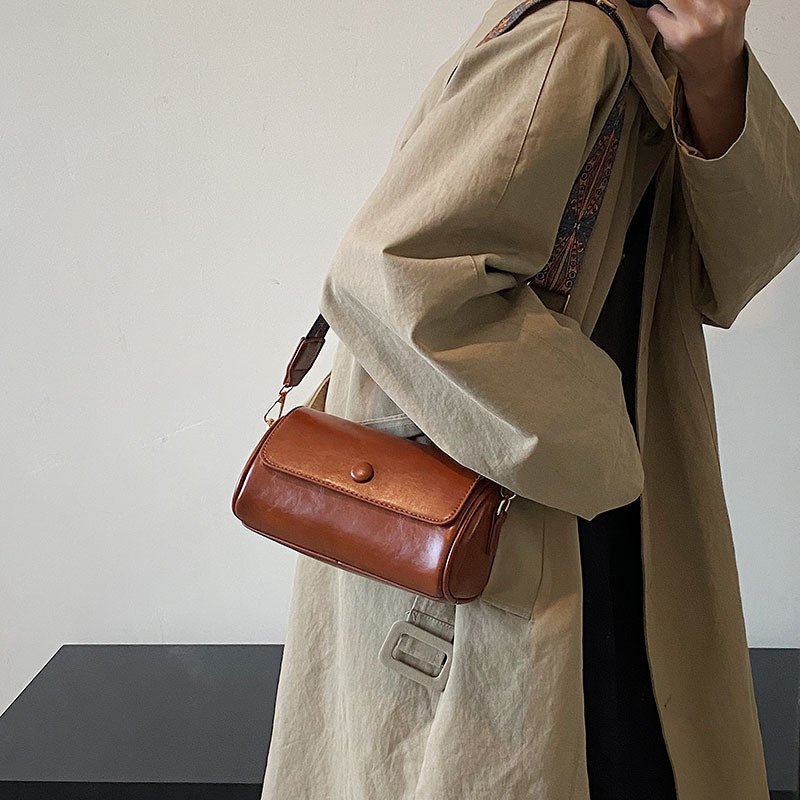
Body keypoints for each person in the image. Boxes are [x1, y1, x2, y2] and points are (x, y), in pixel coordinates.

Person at [260, 1, 800, 798]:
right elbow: (395, 278)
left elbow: (731, 270)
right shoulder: (572, 34)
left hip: (574, 508)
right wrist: (604, 444)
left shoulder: (651, 54)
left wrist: (717, 78)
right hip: (526, 506)